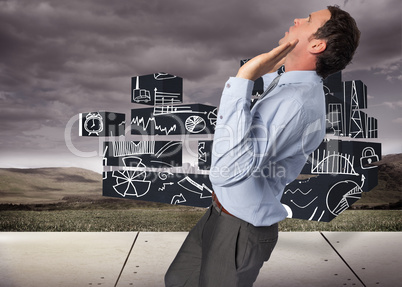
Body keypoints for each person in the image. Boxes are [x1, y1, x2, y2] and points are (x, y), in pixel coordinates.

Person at [165, 5, 360, 287]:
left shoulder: (294, 103)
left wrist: (243, 79)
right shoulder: (285, 86)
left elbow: (228, 172)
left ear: (317, 44)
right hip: (222, 212)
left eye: (307, 20)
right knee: (178, 280)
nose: (296, 19)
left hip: (240, 228)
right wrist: (263, 75)